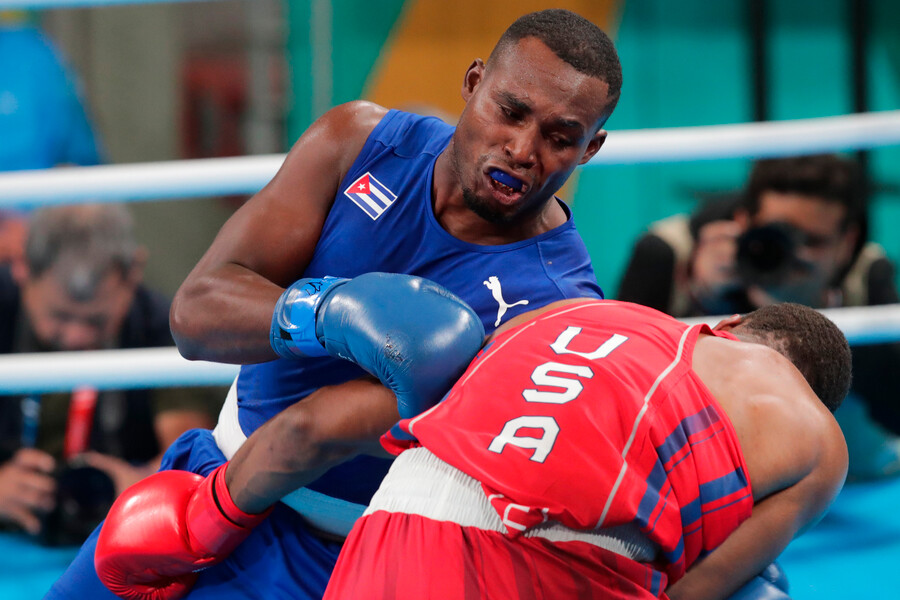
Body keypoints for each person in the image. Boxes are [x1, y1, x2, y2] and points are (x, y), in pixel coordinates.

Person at [46, 8, 623, 600]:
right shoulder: (361, 144)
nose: (523, 149)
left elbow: (315, 434)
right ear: (473, 83)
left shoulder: (556, 306)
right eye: (511, 111)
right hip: (206, 473)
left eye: (560, 138)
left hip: (342, 563)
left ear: (590, 148)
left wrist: (210, 521)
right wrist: (325, 314)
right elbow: (195, 315)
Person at [93, 273, 850, 600]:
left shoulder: (568, 314)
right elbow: (704, 589)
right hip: (552, 566)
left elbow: (314, 428)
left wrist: (210, 515)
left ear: (726, 329)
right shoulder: (816, 438)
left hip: (388, 534)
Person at [617, 153, 900, 480]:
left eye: (814, 241)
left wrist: (821, 319)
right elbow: (622, 394)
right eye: (779, 236)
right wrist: (699, 302)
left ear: (847, 243)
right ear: (742, 222)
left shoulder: (864, 274)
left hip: (852, 484)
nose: (796, 255)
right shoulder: (671, 251)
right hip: (693, 480)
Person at [0, 204, 217, 544]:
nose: (77, 337)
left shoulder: (163, 327)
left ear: (133, 274)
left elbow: (189, 453)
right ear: (21, 267)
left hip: (119, 532)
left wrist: (141, 482)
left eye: (95, 320)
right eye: (59, 317)